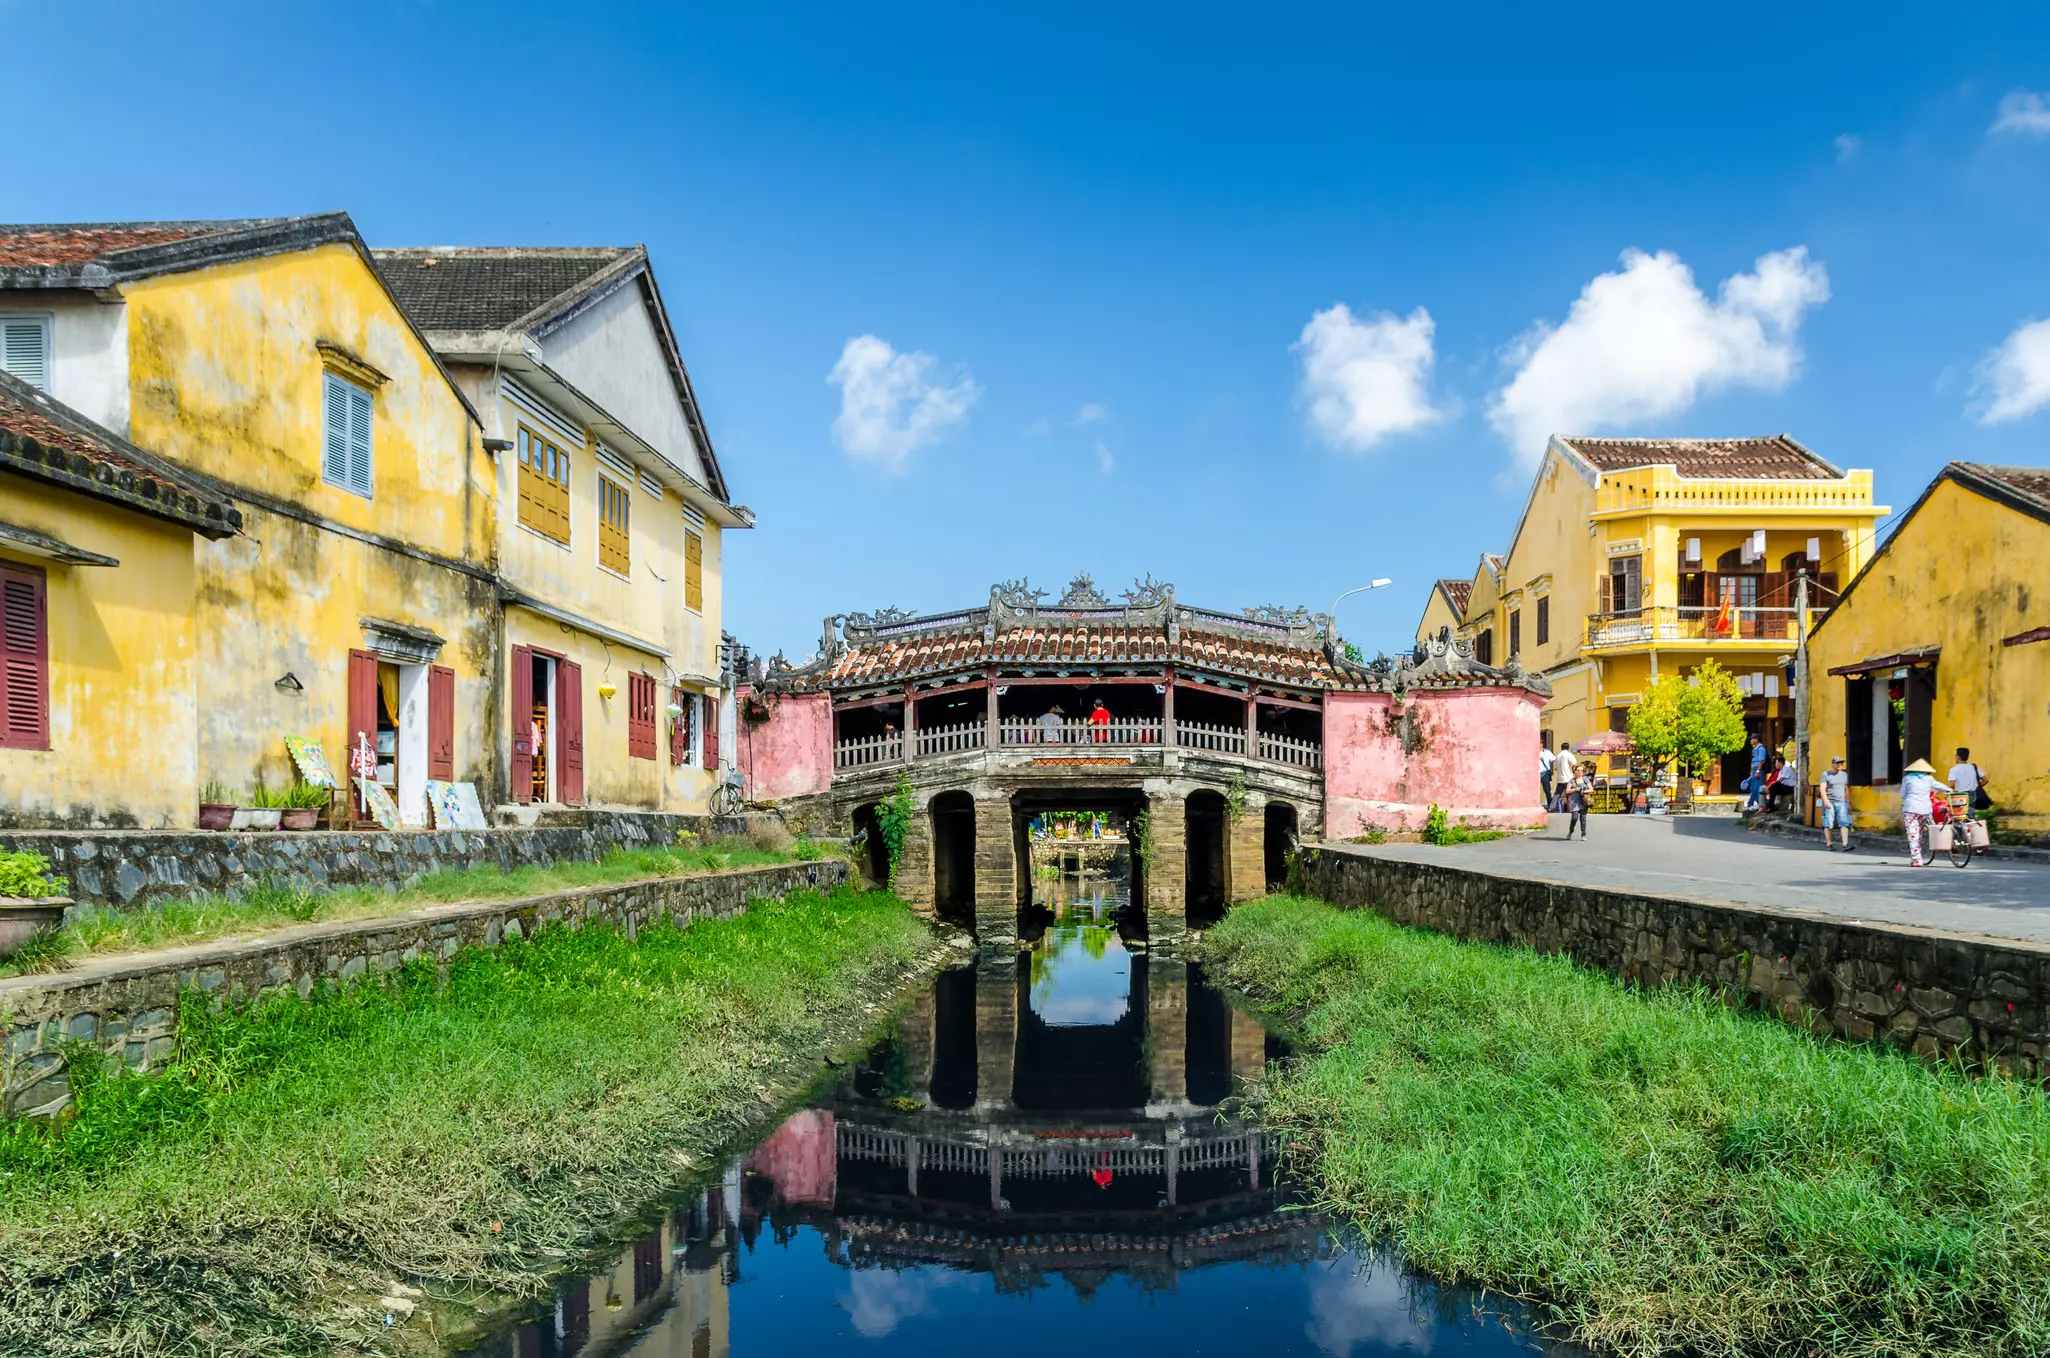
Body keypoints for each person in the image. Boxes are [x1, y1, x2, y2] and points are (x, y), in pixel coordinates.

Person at [1899, 758, 1951, 868]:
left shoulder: (1907, 778)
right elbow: (1941, 786)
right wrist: (1950, 790)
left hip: (1911, 809)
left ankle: (1917, 859)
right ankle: (1916, 856)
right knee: (1919, 833)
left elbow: (1902, 795)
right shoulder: (1929, 779)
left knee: (1913, 834)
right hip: (1925, 809)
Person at [1820, 754, 1853, 851]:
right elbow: (1822, 789)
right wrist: (1826, 801)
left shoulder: (1844, 775)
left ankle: (1845, 844)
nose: (1840, 765)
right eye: (1838, 763)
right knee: (1828, 824)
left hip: (1841, 802)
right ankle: (1829, 844)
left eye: (1841, 763)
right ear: (1833, 764)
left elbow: (1846, 789)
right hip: (1830, 801)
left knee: (1844, 823)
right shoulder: (1826, 774)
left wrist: (1847, 801)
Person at [1563, 760, 1592, 840]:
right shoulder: (1571, 781)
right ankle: (1570, 831)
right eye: (1578, 770)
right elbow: (1567, 791)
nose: (1580, 772)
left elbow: (1591, 789)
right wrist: (1575, 789)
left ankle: (1583, 834)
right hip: (1574, 802)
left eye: (1581, 770)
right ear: (1574, 771)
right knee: (1574, 818)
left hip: (1583, 801)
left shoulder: (1585, 779)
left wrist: (1584, 791)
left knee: (1583, 818)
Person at [1742, 734, 1768, 812]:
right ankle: (1755, 804)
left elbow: (1761, 761)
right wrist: (1752, 771)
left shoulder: (1760, 748)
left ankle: (1758, 805)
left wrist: (1758, 771)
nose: (1751, 741)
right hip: (1754, 769)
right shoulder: (1755, 749)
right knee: (1753, 788)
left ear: (1756, 739)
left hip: (1758, 770)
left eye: (1752, 739)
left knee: (1757, 788)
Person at [1539, 744, 1556, 808]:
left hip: (1545, 773)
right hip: (1535, 773)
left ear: (1542, 745)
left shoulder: (1547, 752)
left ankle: (1550, 805)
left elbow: (1553, 760)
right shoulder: (1532, 751)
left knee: (1547, 790)